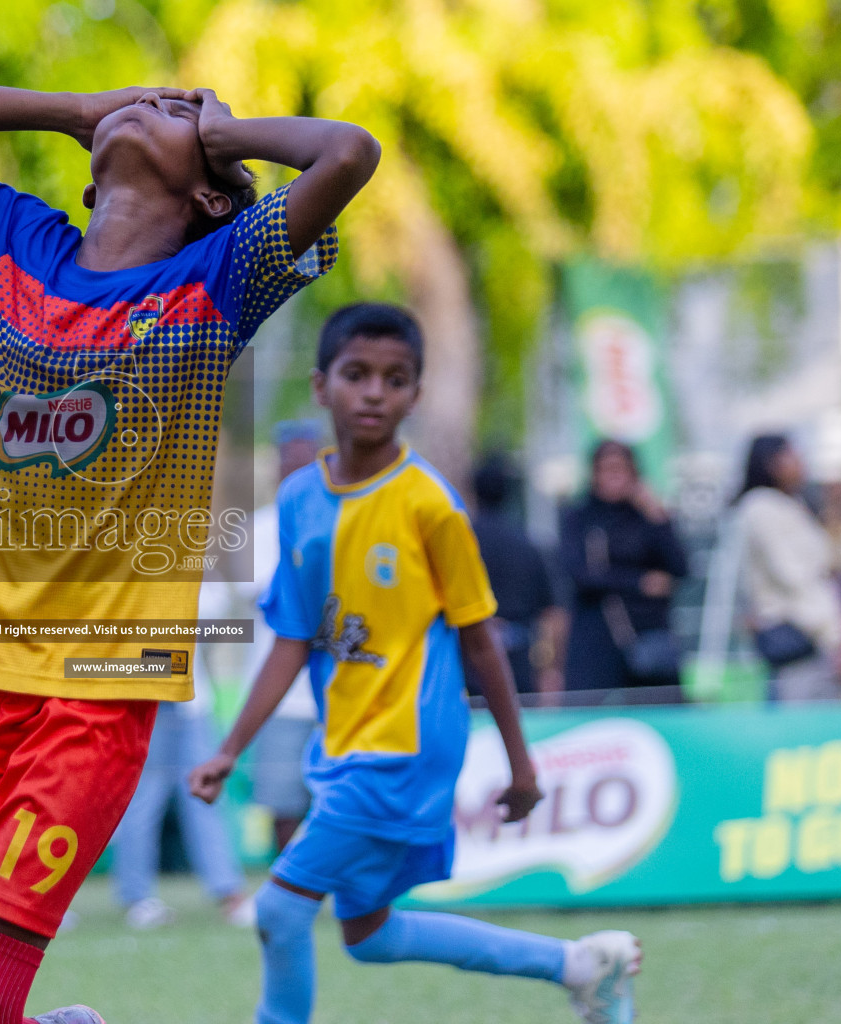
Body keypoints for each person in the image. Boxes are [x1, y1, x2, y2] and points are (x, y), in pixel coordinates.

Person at [0, 78, 377, 1024]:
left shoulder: (215, 279)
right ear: (87, 174)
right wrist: (66, 106)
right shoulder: (4, 239)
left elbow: (347, 153)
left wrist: (221, 129)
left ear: (212, 192)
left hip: (97, 688)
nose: (152, 102)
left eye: (181, 109)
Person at [190, 304, 642, 1024]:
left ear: (416, 396)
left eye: (395, 379)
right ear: (321, 386)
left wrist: (523, 765)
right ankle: (581, 966)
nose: (374, 392)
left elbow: (481, 640)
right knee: (369, 935)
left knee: (278, 912)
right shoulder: (303, 497)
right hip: (341, 742)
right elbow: (291, 637)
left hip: (404, 748)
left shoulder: (430, 505)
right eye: (357, 374)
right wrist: (229, 747)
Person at [111, 576, 252, 931]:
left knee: (205, 796)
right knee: (143, 797)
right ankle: (137, 896)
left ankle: (227, 893)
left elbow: (213, 611)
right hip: (145, 696)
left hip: (192, 699)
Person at [559, 440, 688, 696]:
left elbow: (680, 568)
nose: (614, 476)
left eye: (621, 469)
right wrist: (639, 582)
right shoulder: (580, 517)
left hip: (649, 636)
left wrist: (657, 517)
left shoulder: (647, 517)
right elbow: (581, 574)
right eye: (607, 469)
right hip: (597, 639)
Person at [734, 434, 841, 701]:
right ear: (771, 463)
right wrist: (835, 635)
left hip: (819, 640)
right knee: (800, 728)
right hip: (797, 641)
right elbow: (794, 577)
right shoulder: (760, 507)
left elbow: (831, 563)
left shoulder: (794, 504)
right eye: (792, 454)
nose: (800, 461)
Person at [249, 421, 324, 853]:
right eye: (288, 457)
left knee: (331, 800)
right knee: (283, 802)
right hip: (278, 691)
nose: (296, 466)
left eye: (305, 457)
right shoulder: (258, 528)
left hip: (333, 689)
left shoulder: (336, 517)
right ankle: (289, 886)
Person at [470, 453, 566, 699]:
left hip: (468, 659)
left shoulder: (462, 542)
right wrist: (551, 669)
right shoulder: (527, 544)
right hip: (519, 661)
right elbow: (553, 613)